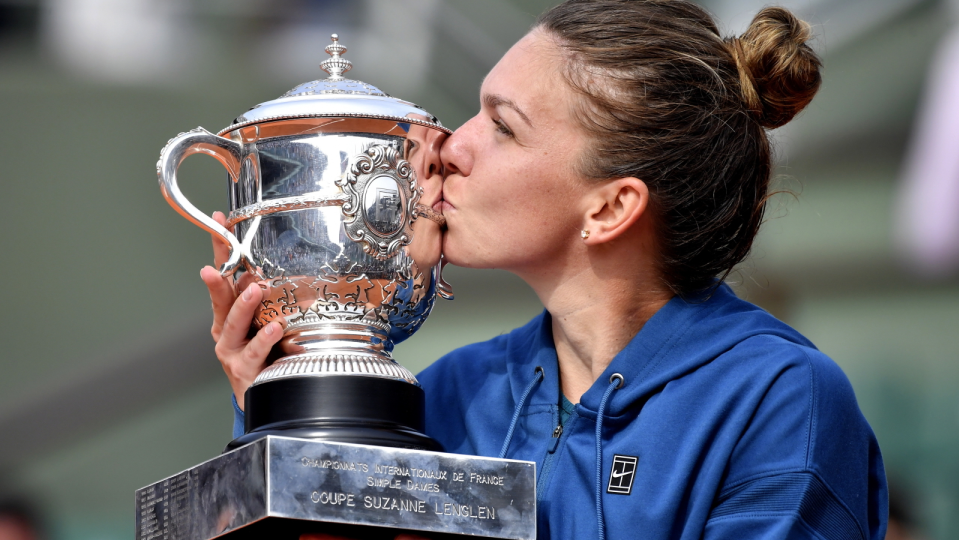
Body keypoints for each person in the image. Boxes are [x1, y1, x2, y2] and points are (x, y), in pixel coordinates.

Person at [202, 1, 888, 539]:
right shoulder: (448, 395)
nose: (447, 147)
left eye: (503, 127)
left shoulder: (777, 402)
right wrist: (289, 421)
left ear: (611, 206)